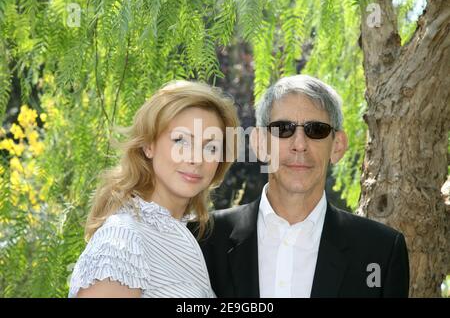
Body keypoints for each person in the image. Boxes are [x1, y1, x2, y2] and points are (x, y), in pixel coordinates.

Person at [197, 74, 410, 298]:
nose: (300, 144)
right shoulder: (203, 239)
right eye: (283, 128)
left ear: (337, 146)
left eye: (316, 130)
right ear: (259, 144)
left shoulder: (382, 251)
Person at [68, 80, 239, 298]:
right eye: (181, 141)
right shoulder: (122, 238)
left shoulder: (191, 239)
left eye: (211, 147)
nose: (197, 158)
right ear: (149, 145)